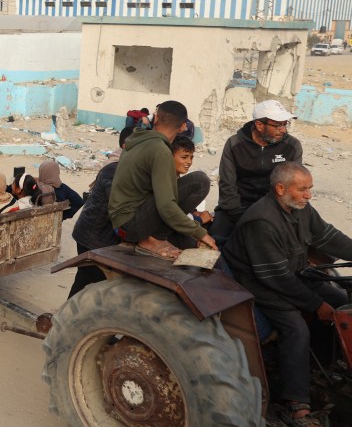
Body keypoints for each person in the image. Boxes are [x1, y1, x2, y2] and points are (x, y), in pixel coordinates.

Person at [224, 163, 352, 427]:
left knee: (341, 300)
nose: (308, 195)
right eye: (302, 189)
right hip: (258, 284)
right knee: (296, 327)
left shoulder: (301, 210)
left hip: (291, 274)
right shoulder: (262, 220)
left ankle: (327, 366)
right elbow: (276, 278)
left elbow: (329, 236)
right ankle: (297, 405)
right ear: (280, 189)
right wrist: (316, 305)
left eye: (310, 188)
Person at [108, 100, 215, 260]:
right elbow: (166, 205)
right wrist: (200, 232)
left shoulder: (139, 140)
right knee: (199, 181)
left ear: (156, 119)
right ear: (183, 127)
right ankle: (155, 239)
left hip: (121, 220)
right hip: (130, 226)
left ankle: (155, 237)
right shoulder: (160, 150)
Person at [211, 100, 303, 243]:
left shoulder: (292, 146)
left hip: (275, 207)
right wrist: (240, 216)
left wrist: (272, 215)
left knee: (298, 240)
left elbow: (293, 185)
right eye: (278, 125)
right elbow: (227, 184)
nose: (283, 130)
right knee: (217, 240)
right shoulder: (234, 144)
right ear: (259, 125)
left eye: (285, 124)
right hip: (238, 206)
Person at [67, 128, 134, 298]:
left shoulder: (126, 166)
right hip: (92, 237)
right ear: (126, 145)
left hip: (99, 235)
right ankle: (65, 320)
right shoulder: (114, 168)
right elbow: (118, 201)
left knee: (91, 282)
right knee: (87, 281)